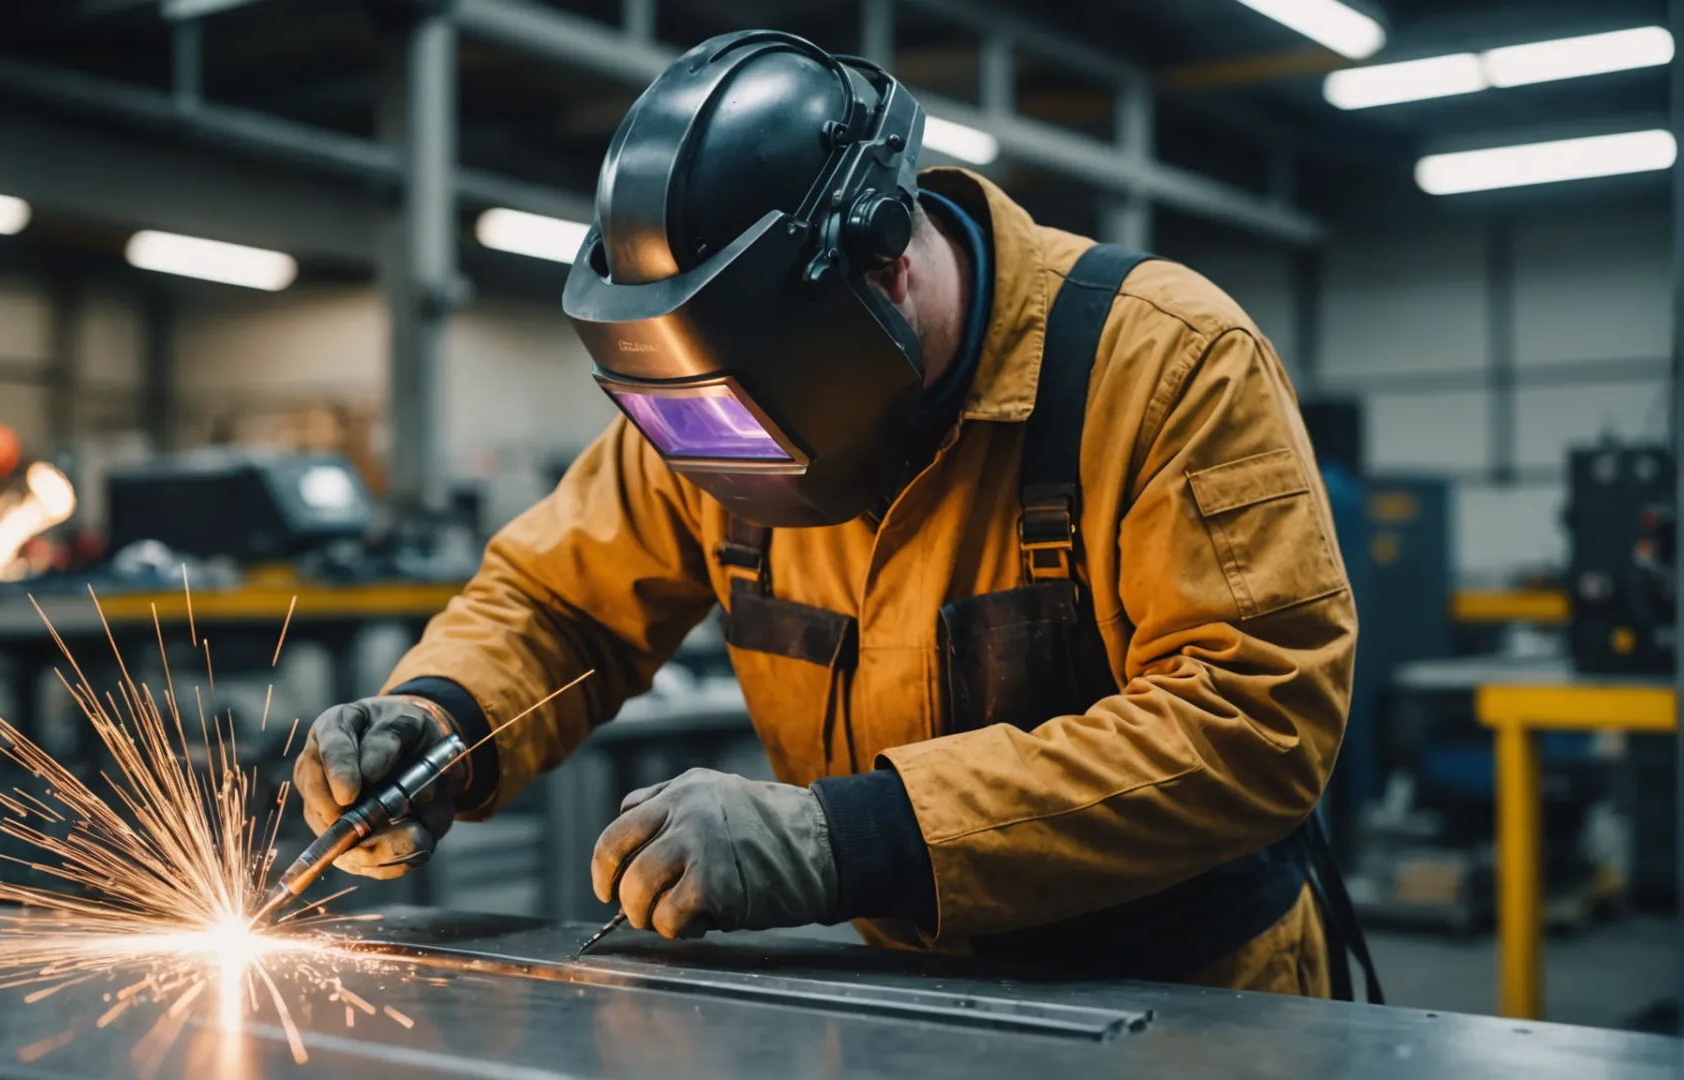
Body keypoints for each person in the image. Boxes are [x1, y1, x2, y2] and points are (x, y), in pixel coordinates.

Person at [293, 29, 1378, 1000]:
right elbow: (558, 603)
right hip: (888, 989)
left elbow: (1253, 720)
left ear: (886, 268)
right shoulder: (710, 388)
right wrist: (442, 722)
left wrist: (843, 837)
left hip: (1185, 993)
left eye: (760, 404)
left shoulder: (1164, 364)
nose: (727, 442)